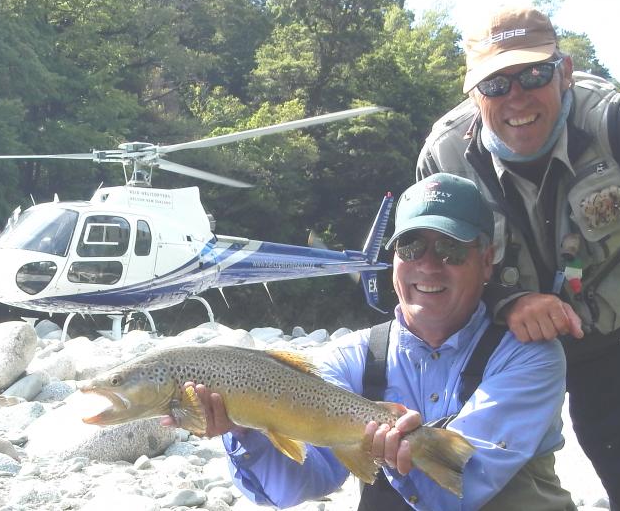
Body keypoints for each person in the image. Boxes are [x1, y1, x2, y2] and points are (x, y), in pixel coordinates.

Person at [163, 173, 576, 510]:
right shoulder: (351, 358)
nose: (428, 266)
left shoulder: (528, 356)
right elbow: (296, 486)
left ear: (486, 261)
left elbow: (463, 483)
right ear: (393, 258)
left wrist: (395, 456)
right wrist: (245, 430)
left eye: (450, 249)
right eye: (411, 247)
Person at [416, 5, 620, 511]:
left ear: (564, 72)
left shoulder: (615, 120)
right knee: (482, 490)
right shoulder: (445, 156)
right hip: (505, 343)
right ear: (474, 93)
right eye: (496, 83)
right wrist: (507, 302)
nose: (516, 97)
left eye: (534, 74)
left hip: (617, 331)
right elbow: (434, 267)